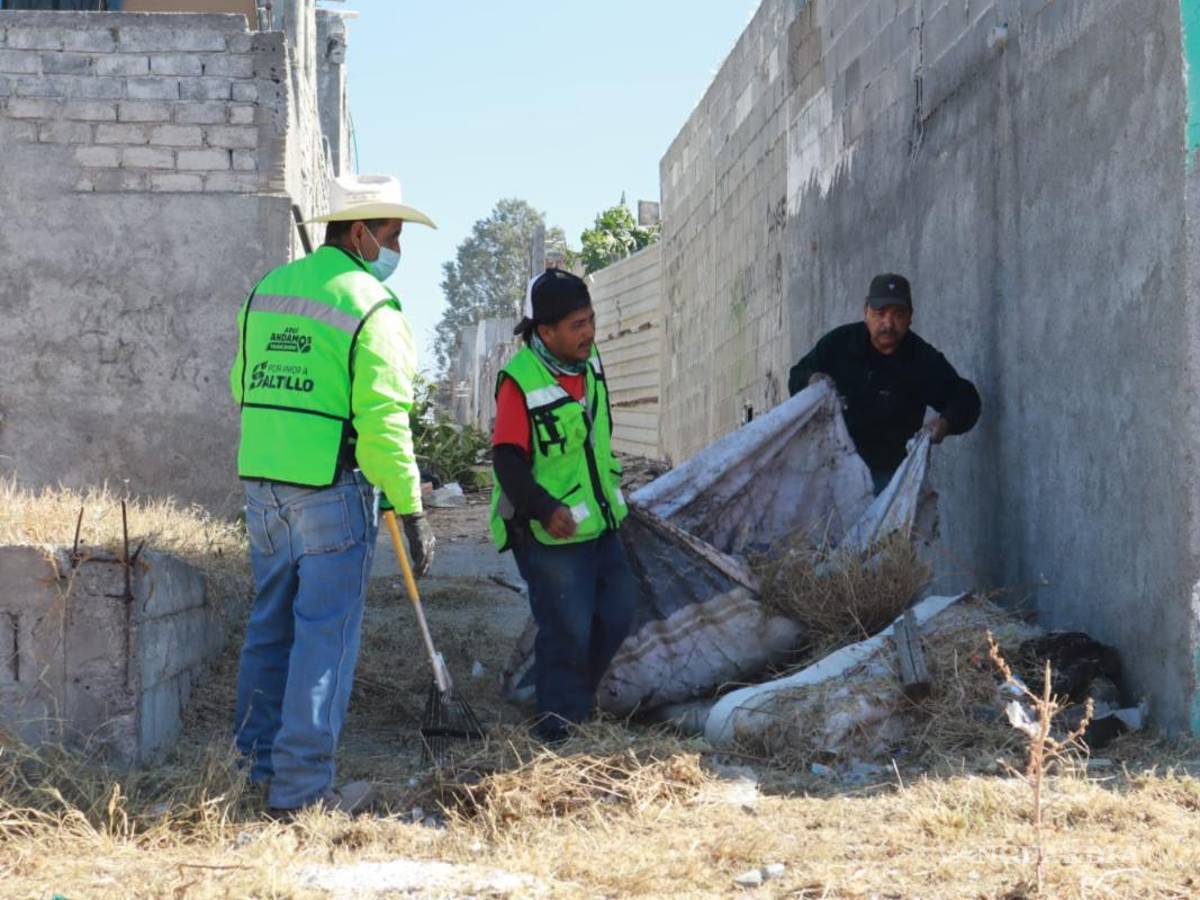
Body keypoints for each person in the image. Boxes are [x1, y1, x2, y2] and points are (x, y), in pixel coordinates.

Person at [229, 174, 437, 816]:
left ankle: (249, 772)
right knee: (324, 640)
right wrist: (410, 507)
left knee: (269, 630)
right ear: (359, 232)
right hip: (331, 492)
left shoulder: (268, 290)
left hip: (264, 490)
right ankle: (299, 793)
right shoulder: (373, 306)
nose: (394, 249)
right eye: (392, 236)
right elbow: (382, 421)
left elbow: (244, 386)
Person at [489, 269, 637, 742]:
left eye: (590, 320)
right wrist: (543, 509)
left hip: (600, 522)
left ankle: (564, 699)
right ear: (545, 332)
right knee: (566, 629)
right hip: (550, 530)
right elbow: (507, 462)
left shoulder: (590, 366)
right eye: (577, 325)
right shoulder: (519, 381)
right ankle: (558, 728)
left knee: (618, 612)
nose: (589, 332)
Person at [787, 273, 981, 494]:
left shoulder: (922, 359)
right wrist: (812, 380)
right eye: (880, 313)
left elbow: (965, 398)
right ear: (866, 312)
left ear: (910, 317)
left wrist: (944, 425)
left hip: (889, 481)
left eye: (898, 314)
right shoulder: (839, 344)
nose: (888, 323)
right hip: (830, 469)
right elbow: (797, 375)